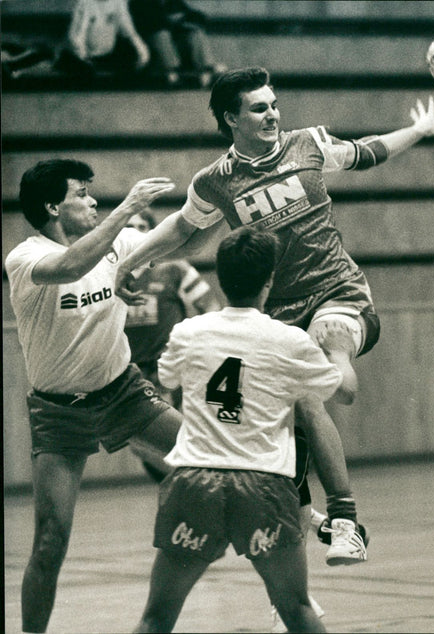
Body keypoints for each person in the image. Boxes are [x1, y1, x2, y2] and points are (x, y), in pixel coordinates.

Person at [114, 66, 434, 566]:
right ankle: (329, 529)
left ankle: (343, 503)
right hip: (280, 313)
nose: (272, 114)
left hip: (339, 292)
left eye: (274, 104)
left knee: (327, 356)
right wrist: (131, 260)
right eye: (258, 108)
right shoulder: (216, 181)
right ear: (232, 118)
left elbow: (369, 151)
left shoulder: (308, 144)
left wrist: (417, 132)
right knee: (294, 413)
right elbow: (182, 228)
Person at [134, 225, 356, 633]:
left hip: (195, 484)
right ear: (269, 281)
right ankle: (339, 517)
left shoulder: (186, 332)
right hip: (264, 487)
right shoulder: (289, 340)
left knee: (156, 617)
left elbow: (166, 378)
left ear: (219, 276)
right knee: (297, 610)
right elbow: (344, 392)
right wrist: (339, 349)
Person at [5, 159, 182, 634]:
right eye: (81, 194)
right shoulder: (25, 258)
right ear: (52, 206)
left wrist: (212, 201)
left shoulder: (117, 245)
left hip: (123, 391)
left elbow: (179, 236)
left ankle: (287, 578)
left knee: (210, 456)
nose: (92, 200)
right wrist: (127, 207)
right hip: (59, 412)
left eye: (91, 192)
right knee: (49, 541)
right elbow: (71, 265)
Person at [124, 209, 221, 410]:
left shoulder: (175, 268)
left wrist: (199, 349)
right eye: (129, 227)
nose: (135, 233)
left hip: (165, 371)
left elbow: (211, 308)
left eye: (141, 227)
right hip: (126, 373)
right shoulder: (113, 274)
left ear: (153, 233)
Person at [128, 0, 227, 87]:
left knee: (194, 32)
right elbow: (148, 24)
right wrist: (170, 20)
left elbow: (198, 17)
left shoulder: (173, 2)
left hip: (175, 43)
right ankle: (170, 72)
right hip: (151, 47)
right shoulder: (140, 3)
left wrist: (181, 20)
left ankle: (206, 68)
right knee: (162, 35)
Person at [53, 0, 150, 83]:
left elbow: (129, 32)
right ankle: (60, 61)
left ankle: (98, 68)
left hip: (105, 56)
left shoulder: (118, 3)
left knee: (130, 57)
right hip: (82, 56)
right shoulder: (84, 3)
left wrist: (143, 53)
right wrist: (84, 57)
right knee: (81, 67)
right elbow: (76, 37)